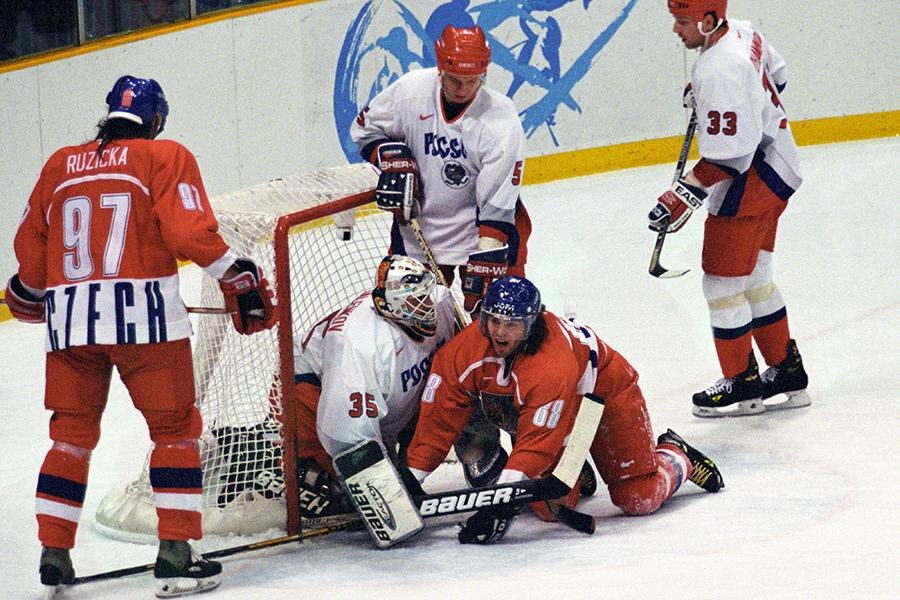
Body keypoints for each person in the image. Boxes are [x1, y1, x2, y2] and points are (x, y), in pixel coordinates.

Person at [4, 75, 275, 597]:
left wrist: (29, 292)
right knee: (174, 432)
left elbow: (31, 259)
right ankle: (175, 554)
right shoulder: (164, 156)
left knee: (70, 438)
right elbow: (190, 233)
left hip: (71, 327)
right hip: (145, 322)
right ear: (155, 121)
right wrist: (236, 277)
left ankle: (54, 553)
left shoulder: (59, 165)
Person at [401, 276, 724, 544]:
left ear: (532, 322)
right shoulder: (462, 353)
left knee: (637, 498)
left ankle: (675, 455)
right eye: (494, 321)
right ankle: (576, 469)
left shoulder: (551, 364)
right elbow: (438, 421)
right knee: (547, 506)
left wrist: (500, 501)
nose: (499, 332)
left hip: (606, 396)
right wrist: (411, 481)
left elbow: (538, 440)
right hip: (554, 412)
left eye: (511, 324)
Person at [648, 0, 810, 417]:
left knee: (720, 285)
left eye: (683, 22)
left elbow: (731, 157)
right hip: (781, 166)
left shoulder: (718, 68)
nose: (676, 30)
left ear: (707, 20)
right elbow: (780, 75)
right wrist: (716, 103)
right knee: (756, 277)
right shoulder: (742, 30)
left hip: (751, 180)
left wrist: (681, 194)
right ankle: (786, 370)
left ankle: (741, 383)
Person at [350, 24, 532, 314]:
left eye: (472, 81)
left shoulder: (501, 119)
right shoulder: (410, 92)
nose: (463, 89)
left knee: (499, 323)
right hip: (419, 233)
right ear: (440, 69)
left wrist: (488, 256)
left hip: (480, 237)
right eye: (455, 80)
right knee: (411, 325)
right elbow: (364, 129)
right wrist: (388, 153)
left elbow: (497, 202)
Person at [290, 255, 458, 547]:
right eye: (417, 300)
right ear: (392, 305)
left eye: (426, 295)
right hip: (310, 387)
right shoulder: (360, 345)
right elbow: (346, 434)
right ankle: (304, 468)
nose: (427, 305)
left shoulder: (440, 303)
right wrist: (384, 486)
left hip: (381, 396)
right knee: (364, 496)